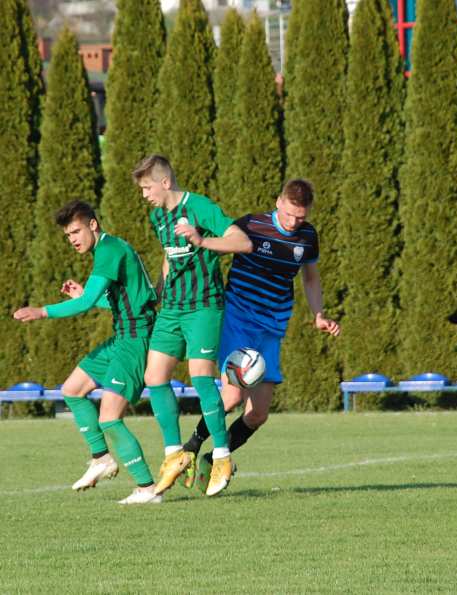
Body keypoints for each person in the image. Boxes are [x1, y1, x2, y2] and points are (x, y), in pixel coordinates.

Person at [179, 179, 340, 488]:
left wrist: (318, 314)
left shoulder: (307, 236)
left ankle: (212, 460)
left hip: (272, 327)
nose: (295, 222)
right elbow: (214, 250)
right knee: (234, 393)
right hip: (238, 319)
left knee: (258, 414)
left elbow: (310, 278)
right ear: (279, 202)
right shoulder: (251, 224)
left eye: (301, 217)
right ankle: (191, 446)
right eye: (290, 214)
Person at [13, 201, 161, 504]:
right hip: (123, 337)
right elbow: (124, 302)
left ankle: (147, 488)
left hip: (135, 341)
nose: (73, 239)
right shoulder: (108, 249)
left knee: (109, 417)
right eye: (68, 235)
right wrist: (88, 297)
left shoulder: (109, 250)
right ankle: (101, 459)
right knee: (72, 389)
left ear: (93, 225)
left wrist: (43, 311)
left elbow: (90, 304)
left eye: (76, 231)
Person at [132, 155, 252, 497]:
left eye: (146, 188)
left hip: (203, 307)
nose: (144, 195)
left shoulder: (199, 207)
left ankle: (222, 457)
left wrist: (202, 241)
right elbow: (169, 257)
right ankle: (174, 454)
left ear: (165, 182)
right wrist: (157, 293)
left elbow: (242, 242)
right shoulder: (158, 215)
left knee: (201, 377)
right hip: (171, 308)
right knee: (154, 377)